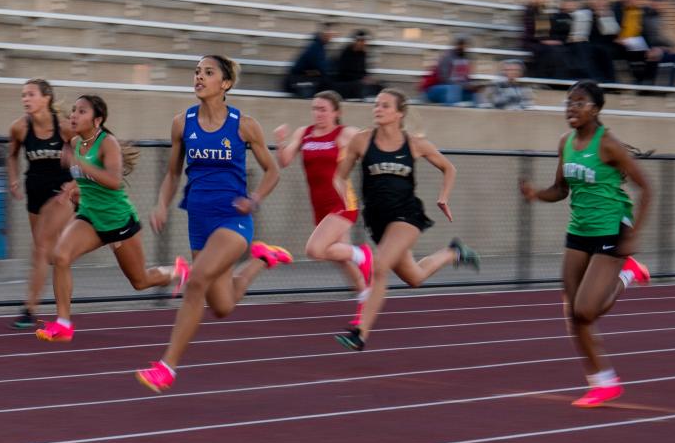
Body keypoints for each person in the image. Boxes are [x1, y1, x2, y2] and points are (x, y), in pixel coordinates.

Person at [136, 55, 291, 392]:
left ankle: (167, 366)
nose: (199, 77)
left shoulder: (243, 124)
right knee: (222, 305)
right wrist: (162, 203)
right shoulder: (182, 122)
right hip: (199, 221)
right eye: (196, 72)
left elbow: (273, 170)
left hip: (233, 220)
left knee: (196, 282)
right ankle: (261, 260)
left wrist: (255, 199)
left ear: (225, 84)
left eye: (208, 73)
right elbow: (174, 172)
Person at [519, 81, 652, 408]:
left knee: (586, 310)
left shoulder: (608, 144)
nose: (571, 109)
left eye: (579, 103)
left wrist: (634, 235)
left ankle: (627, 274)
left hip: (611, 230)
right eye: (568, 103)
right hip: (579, 231)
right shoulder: (565, 142)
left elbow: (646, 187)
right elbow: (560, 189)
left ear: (595, 109)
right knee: (572, 314)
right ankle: (602, 382)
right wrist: (537, 194)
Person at [333, 89, 481, 351]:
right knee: (414, 278)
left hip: (407, 216)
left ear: (399, 113)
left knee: (379, 267)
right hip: (378, 221)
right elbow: (338, 176)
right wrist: (346, 200)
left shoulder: (414, 143)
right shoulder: (361, 141)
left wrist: (443, 197)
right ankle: (453, 252)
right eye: (376, 104)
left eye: (385, 105)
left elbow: (449, 167)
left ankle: (361, 333)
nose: (378, 109)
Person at [35, 94, 189, 342]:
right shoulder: (75, 143)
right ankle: (64, 323)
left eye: (81, 111)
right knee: (60, 256)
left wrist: (79, 166)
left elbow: (114, 181)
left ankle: (176, 271)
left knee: (140, 281)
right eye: (73, 110)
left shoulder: (108, 143)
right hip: (89, 217)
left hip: (117, 220)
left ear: (97, 121)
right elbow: (84, 175)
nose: (74, 115)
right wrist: (73, 188)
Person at [273, 90, 371, 321]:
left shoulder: (344, 134)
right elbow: (284, 161)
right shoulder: (304, 133)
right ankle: (366, 299)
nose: (318, 114)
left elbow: (370, 145)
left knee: (315, 250)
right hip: (319, 205)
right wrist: (280, 141)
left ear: (336, 112)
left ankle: (363, 254)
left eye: (323, 109)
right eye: (315, 109)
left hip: (342, 202)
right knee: (341, 259)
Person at [6, 79, 77, 330]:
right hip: (34, 190)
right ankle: (74, 248)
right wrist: (13, 179)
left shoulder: (66, 128)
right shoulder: (19, 128)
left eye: (31, 94)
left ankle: (29, 308)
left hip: (60, 193)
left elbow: (85, 153)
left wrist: (74, 184)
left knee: (41, 248)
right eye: (23, 95)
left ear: (46, 98)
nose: (26, 99)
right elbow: (12, 155)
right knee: (46, 251)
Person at [283, 22, 337, 98]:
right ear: (323, 35)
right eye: (329, 35)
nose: (331, 37)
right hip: (298, 80)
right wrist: (318, 72)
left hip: (304, 79)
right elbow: (322, 69)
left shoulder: (319, 47)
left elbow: (320, 70)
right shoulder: (315, 47)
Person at [330, 29, 372, 99]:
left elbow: (363, 70)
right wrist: (361, 79)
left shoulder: (362, 53)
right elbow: (344, 72)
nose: (363, 43)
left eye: (364, 41)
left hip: (356, 81)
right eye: (361, 41)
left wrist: (366, 77)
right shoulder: (346, 53)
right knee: (359, 86)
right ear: (356, 41)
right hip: (345, 82)